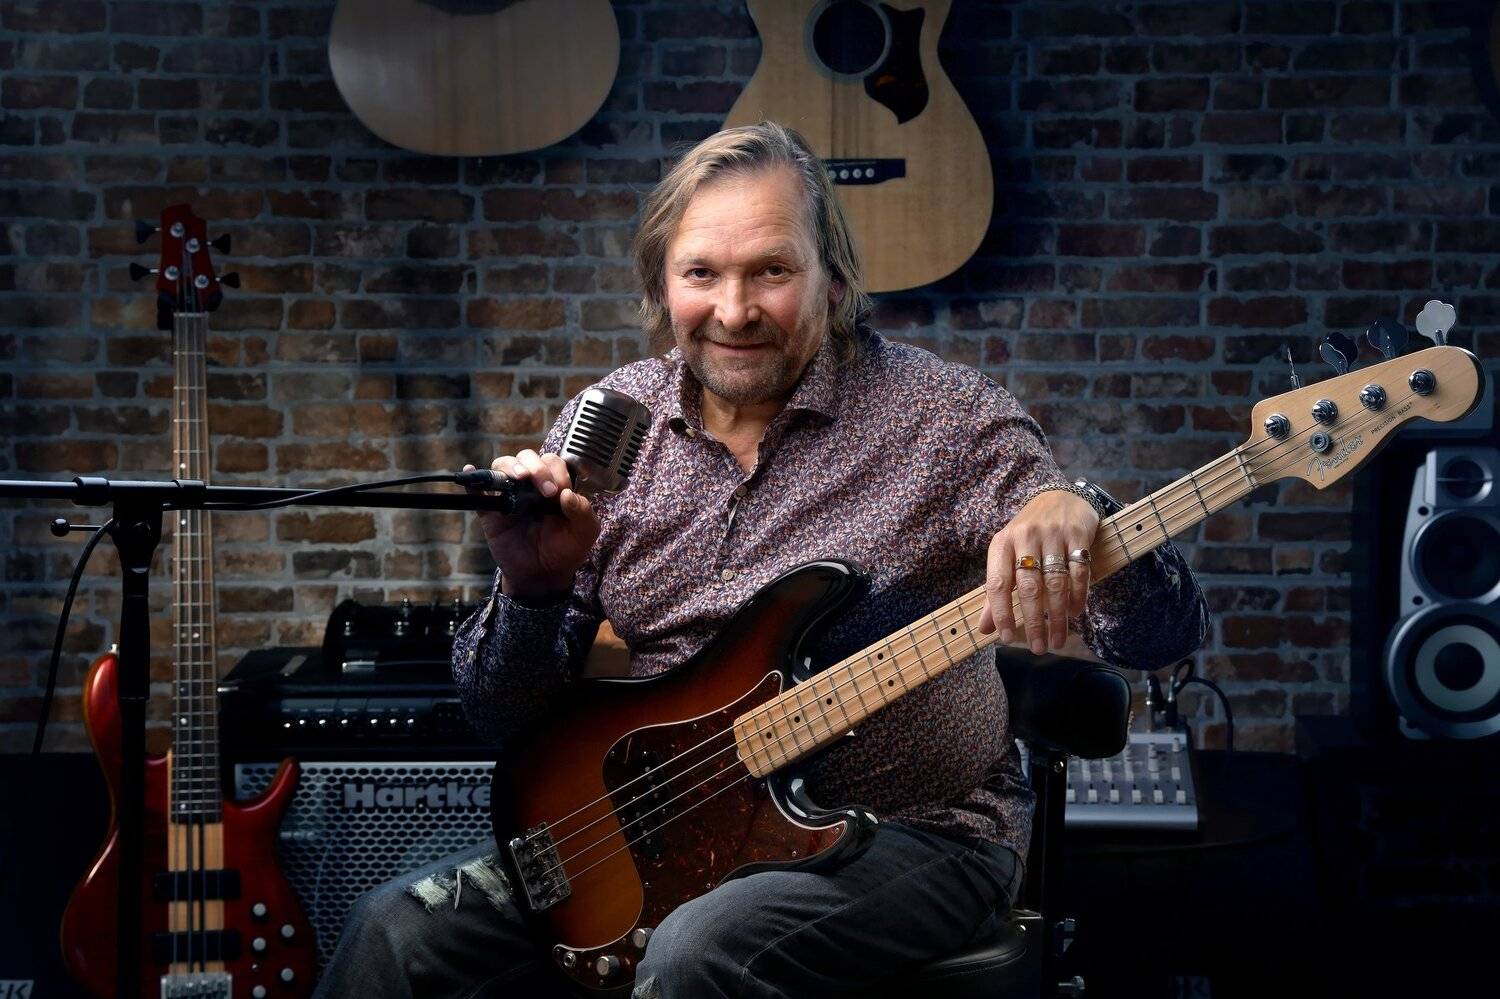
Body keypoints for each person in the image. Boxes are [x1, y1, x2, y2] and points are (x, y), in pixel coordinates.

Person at [313, 121, 1208, 999]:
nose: (734, 310)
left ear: (834, 280)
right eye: (701, 272)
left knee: (698, 953)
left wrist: (1082, 512)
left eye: (772, 271)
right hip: (645, 830)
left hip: (915, 832)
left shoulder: (946, 418)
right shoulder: (614, 425)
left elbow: (1157, 634)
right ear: (661, 283)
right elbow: (499, 716)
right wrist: (533, 588)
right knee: (393, 931)